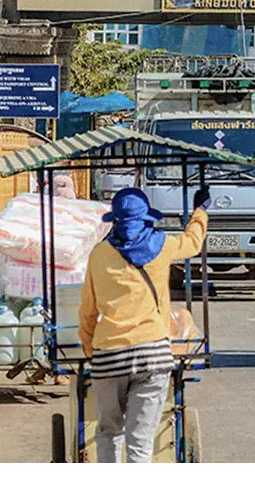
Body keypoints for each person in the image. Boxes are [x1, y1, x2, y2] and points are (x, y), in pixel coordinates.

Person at [79, 185, 210, 463]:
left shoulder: (98, 255)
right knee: (140, 441)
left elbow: (88, 312)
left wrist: (91, 351)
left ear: (114, 221)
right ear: (146, 219)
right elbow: (193, 242)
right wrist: (201, 211)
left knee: (108, 432)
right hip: (153, 354)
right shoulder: (162, 246)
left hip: (109, 355)